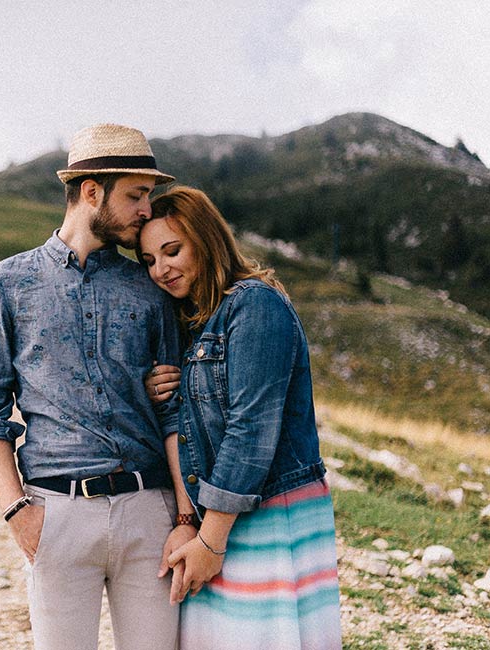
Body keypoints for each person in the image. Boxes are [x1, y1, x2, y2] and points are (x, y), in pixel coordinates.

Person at [0, 124, 188, 650]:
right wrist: (18, 513)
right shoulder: (8, 283)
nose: (145, 211)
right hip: (56, 513)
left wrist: (182, 516)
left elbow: (177, 414)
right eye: (136, 195)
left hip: (148, 512)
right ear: (92, 190)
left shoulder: (150, 285)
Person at [141, 186, 343, 649]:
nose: (161, 269)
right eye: (149, 260)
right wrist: (189, 522)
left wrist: (210, 542)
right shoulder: (191, 320)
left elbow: (251, 429)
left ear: (207, 239)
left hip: (271, 506)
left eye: (172, 251)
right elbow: (185, 428)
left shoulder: (255, 305)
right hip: (218, 514)